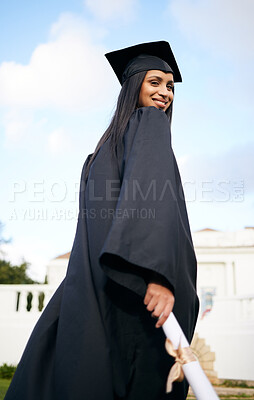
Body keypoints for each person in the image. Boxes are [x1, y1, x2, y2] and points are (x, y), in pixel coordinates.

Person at [5, 41, 199, 400]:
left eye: (170, 86)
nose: (164, 93)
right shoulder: (149, 124)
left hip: (96, 288)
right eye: (155, 81)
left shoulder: (101, 151)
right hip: (139, 290)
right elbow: (148, 197)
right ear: (134, 84)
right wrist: (157, 275)